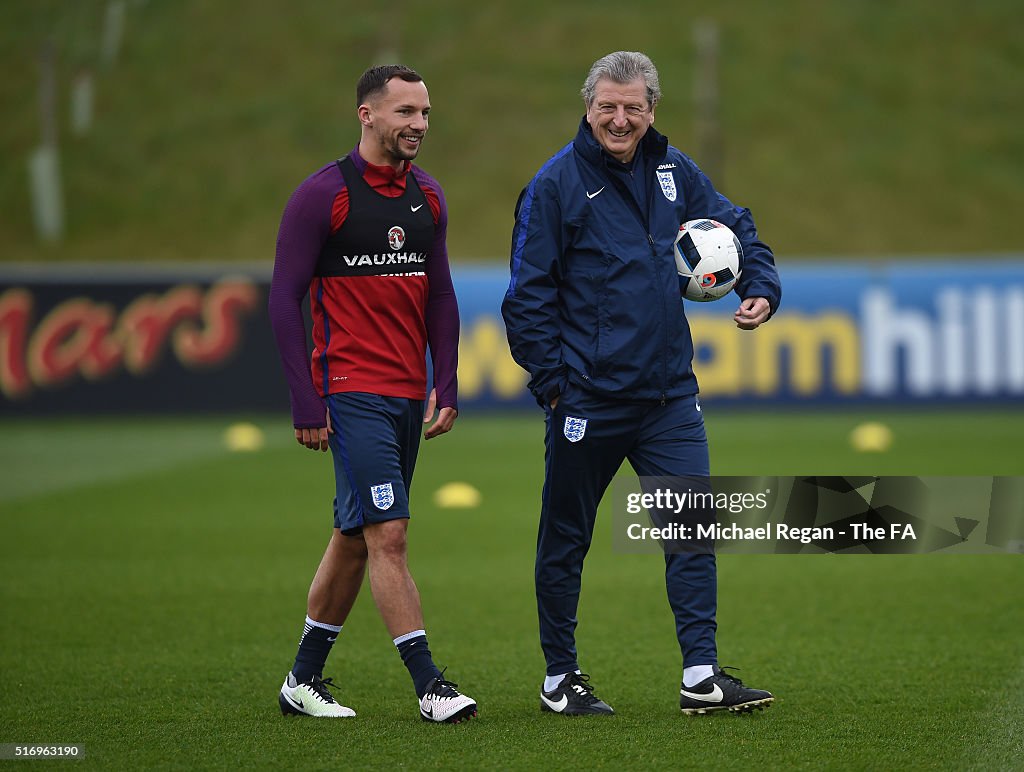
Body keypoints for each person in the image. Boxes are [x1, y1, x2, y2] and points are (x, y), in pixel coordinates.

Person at [502, 51, 781, 716]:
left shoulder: (673, 170)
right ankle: (560, 679)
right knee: (566, 539)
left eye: (633, 107)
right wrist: (556, 387)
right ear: (588, 106)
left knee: (692, 533)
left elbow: (737, 225)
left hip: (669, 401)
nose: (620, 119)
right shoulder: (555, 185)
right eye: (608, 106)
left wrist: (762, 287)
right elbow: (527, 299)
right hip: (588, 403)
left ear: (652, 109)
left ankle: (701, 676)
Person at [268, 64, 476, 723]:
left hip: (403, 392)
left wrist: (445, 379)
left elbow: (439, 295)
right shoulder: (322, 195)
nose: (418, 124)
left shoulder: (430, 197)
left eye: (425, 114)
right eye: (405, 112)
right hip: (350, 389)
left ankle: (302, 681)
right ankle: (430, 685)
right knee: (390, 532)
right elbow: (282, 300)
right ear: (367, 114)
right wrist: (307, 400)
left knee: (355, 535)